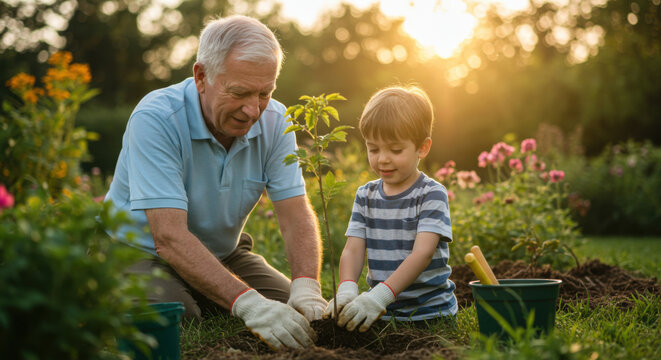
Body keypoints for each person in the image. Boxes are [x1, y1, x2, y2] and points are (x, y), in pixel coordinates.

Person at [104, 15, 327, 350]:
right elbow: (168, 237)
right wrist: (250, 305)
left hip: (223, 254)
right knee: (178, 317)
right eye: (239, 92)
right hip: (140, 251)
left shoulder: (276, 120)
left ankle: (212, 292)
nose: (253, 110)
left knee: (298, 315)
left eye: (264, 93)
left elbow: (295, 213)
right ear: (201, 77)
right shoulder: (157, 119)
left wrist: (307, 286)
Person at [323, 86, 457, 332]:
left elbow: (422, 254)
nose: (382, 158)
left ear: (422, 148)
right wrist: (347, 289)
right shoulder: (366, 195)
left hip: (430, 316)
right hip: (381, 315)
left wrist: (379, 296)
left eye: (395, 150)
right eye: (373, 149)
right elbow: (353, 249)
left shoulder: (431, 193)